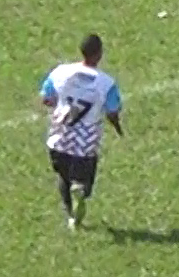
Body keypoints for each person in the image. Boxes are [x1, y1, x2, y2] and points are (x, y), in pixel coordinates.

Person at [39, 34, 124, 230]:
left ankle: (71, 215)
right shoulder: (106, 83)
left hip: (60, 134)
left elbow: (46, 97)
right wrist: (118, 127)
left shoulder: (60, 72)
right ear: (100, 54)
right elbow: (112, 111)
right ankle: (81, 190)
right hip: (85, 139)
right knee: (84, 179)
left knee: (63, 176)